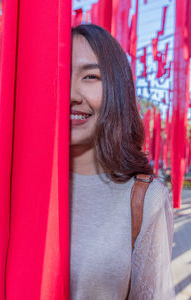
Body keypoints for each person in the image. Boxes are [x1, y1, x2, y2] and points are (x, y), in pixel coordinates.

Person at [69, 24, 175, 299]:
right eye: (60, 74)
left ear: (116, 89)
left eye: (90, 76)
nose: (71, 94)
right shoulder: (6, 188)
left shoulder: (144, 199)